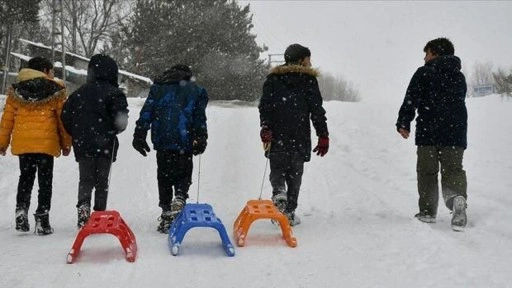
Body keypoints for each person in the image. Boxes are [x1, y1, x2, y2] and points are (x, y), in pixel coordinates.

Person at [396, 37, 468, 231]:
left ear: (435, 53)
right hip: (455, 133)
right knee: (453, 170)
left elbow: (411, 99)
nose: (424, 58)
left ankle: (427, 212)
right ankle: (457, 200)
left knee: (427, 172)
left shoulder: (424, 73)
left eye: (427, 53)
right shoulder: (459, 76)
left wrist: (404, 122)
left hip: (429, 131)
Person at [258, 43, 329, 226]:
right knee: (295, 174)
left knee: (277, 169)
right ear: (300, 60)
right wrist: (323, 134)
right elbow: (317, 110)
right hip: (299, 135)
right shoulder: (309, 81)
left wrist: (266, 127)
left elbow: (265, 105)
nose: (310, 62)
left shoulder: (273, 79)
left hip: (277, 135)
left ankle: (279, 192)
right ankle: (289, 211)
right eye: (308, 58)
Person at [132, 64, 208, 233]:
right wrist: (201, 137)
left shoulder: (158, 88)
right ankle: (180, 196)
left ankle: (166, 212)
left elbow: (147, 112)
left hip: (163, 139)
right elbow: (199, 117)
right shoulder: (195, 90)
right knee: (184, 171)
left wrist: (139, 133)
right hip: (185, 139)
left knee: (164, 174)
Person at [0, 56, 71, 235]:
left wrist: (2, 143)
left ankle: (21, 211)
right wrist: (66, 143)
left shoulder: (16, 91)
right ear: (45, 71)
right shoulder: (55, 90)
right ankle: (42, 219)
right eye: (52, 71)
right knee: (45, 182)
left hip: (24, 143)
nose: (53, 74)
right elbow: (62, 121)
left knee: (26, 178)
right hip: (46, 145)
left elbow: (6, 120)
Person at [61, 54, 129, 229]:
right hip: (106, 144)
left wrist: (76, 133)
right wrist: (114, 130)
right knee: (102, 181)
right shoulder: (115, 94)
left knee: (85, 179)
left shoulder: (78, 94)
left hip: (83, 144)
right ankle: (99, 214)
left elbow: (66, 117)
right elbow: (121, 121)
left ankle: (83, 207)